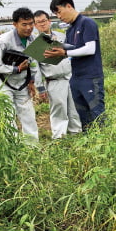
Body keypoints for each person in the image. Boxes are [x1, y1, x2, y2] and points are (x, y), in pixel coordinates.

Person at [44, 0, 105, 131]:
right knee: (82, 114)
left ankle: (105, 143)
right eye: (55, 14)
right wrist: (54, 52)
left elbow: (90, 49)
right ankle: (89, 142)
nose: (58, 16)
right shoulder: (70, 30)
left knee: (96, 112)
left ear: (69, 6)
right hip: (75, 77)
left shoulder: (86, 23)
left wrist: (65, 52)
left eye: (59, 12)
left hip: (90, 76)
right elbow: (72, 50)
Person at [0, 7, 39, 142]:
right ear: (15, 24)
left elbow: (33, 63)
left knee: (28, 115)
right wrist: (16, 69)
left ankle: (32, 148)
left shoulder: (34, 40)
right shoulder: (3, 40)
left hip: (22, 83)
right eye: (24, 24)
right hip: (2, 83)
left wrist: (31, 81)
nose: (28, 28)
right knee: (8, 116)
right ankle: (13, 148)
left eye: (31, 24)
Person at [33, 10, 82, 139]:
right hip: (54, 79)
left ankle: (76, 133)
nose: (42, 24)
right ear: (35, 25)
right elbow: (35, 68)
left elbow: (73, 52)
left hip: (70, 76)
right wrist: (40, 87)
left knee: (74, 107)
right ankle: (59, 137)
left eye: (44, 21)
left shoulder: (61, 36)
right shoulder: (35, 43)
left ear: (49, 21)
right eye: (38, 23)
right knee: (59, 110)